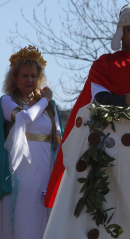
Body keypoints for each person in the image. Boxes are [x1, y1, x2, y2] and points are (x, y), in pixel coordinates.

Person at [45, 4, 130, 207]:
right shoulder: (104, 64)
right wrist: (128, 99)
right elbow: (100, 99)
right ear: (120, 32)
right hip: (112, 150)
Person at [0, 46, 64, 239]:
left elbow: (59, 141)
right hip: (18, 172)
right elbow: (24, 118)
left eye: (33, 76)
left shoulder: (50, 107)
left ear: (39, 78)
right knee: (21, 217)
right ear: (15, 79)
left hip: (45, 170)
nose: (29, 80)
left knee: (44, 220)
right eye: (24, 76)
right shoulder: (7, 100)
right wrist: (44, 100)